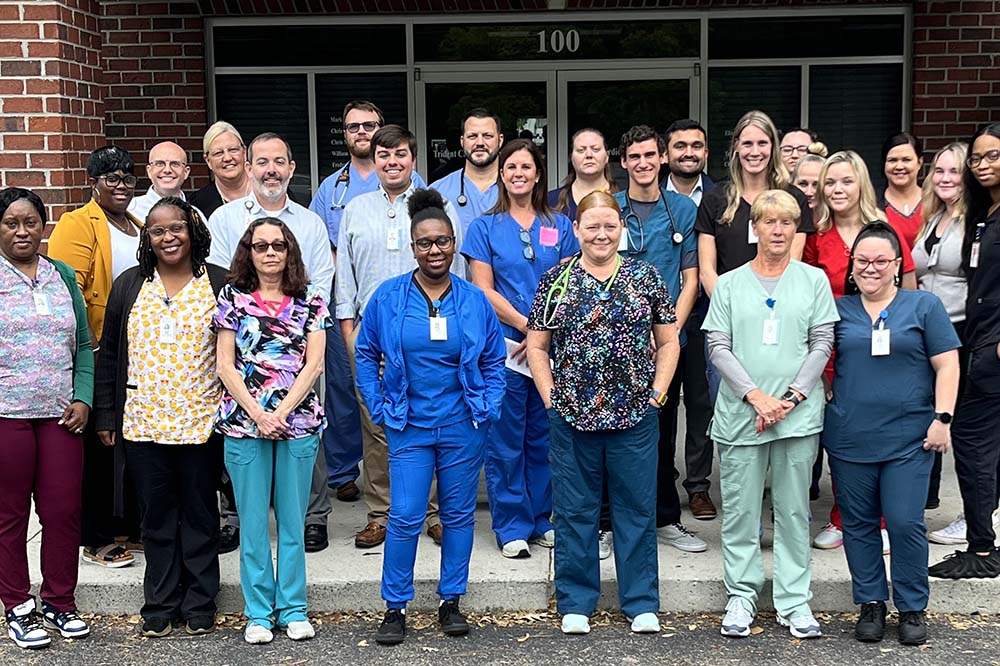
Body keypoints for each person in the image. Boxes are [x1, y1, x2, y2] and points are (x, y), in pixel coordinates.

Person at [354, 189, 506, 645]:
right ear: (413, 245)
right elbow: (365, 354)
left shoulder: (475, 300)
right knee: (403, 515)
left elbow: (495, 361)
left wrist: (490, 405)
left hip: (463, 424)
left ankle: (450, 601)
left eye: (442, 241)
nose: (434, 250)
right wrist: (379, 405)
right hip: (409, 426)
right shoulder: (389, 297)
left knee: (458, 516)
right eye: (425, 243)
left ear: (453, 243)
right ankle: (395, 606)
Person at [524, 191, 679, 635]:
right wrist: (551, 396)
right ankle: (576, 601)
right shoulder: (557, 280)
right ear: (576, 230)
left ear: (622, 229)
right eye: (592, 225)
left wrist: (658, 394)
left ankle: (641, 601)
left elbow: (668, 341)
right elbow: (537, 345)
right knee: (575, 511)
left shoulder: (644, 277)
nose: (601, 234)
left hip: (635, 415)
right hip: (572, 416)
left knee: (636, 509)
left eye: (610, 225)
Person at [703, 189, 837, 640]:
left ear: (795, 228)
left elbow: (822, 343)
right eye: (769, 221)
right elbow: (717, 347)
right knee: (740, 511)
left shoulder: (813, 280)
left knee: (794, 511)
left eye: (787, 222)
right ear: (753, 227)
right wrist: (758, 397)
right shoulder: (729, 283)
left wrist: (792, 398)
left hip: (796, 416)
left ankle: (795, 601)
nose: (777, 230)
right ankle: (741, 596)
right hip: (743, 414)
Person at [93, 198, 226, 638]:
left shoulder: (220, 284)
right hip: (144, 421)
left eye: (177, 228)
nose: (168, 237)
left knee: (201, 514)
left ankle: (201, 600)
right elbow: (110, 352)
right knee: (156, 517)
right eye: (157, 231)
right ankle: (161, 602)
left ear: (193, 231)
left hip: (201, 422)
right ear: (147, 238)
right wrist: (107, 415)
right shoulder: (131, 284)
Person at [824, 222, 960, 645]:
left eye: (881, 260)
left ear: (898, 265)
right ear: (852, 265)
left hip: (909, 439)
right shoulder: (837, 310)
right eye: (862, 260)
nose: (871, 267)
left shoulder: (923, 306)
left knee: (904, 522)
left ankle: (912, 606)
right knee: (860, 525)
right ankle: (870, 603)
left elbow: (948, 365)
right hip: (849, 437)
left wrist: (944, 418)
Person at [337, 125, 465, 549]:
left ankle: (430, 512)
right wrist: (348, 328)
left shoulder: (438, 205)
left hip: (429, 333)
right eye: (384, 155)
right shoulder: (355, 209)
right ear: (373, 161)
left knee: (430, 420)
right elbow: (345, 275)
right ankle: (381, 512)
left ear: (414, 160)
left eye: (401, 155)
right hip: (371, 335)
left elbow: (457, 269)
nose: (393, 162)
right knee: (376, 423)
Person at [207, 132, 335, 554]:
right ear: (248, 167)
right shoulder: (225, 219)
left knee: (306, 429)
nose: (270, 170)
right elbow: (221, 278)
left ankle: (312, 515)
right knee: (241, 440)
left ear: (291, 168)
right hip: (242, 344)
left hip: (300, 344)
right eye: (261, 162)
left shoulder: (310, 223)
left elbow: (320, 281)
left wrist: (292, 330)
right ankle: (235, 518)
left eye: (279, 161)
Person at [213, 218, 331, 644]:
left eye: (278, 245)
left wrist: (279, 410)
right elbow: (225, 364)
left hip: (297, 423)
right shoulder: (232, 297)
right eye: (260, 245)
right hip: (244, 425)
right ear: (249, 251)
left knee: (293, 523)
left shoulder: (312, 298)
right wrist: (258, 414)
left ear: (289, 250)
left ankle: (294, 608)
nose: (269, 253)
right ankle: (259, 613)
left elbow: (314, 364)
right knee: (253, 525)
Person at [463, 138, 579, 559]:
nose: (518, 174)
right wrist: (527, 328)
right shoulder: (484, 228)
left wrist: (541, 335)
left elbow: (568, 282)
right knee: (506, 439)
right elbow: (483, 289)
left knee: (546, 437)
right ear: (501, 173)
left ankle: (543, 518)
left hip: (550, 350)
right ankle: (512, 523)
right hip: (506, 350)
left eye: (526, 167)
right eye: (510, 167)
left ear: (537, 173)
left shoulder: (561, 225)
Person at [804, 151, 917, 550]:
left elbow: (910, 291)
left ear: (861, 185)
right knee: (844, 431)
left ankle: (883, 520)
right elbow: (807, 297)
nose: (837, 189)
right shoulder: (817, 237)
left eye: (846, 181)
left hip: (885, 346)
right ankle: (844, 517)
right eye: (830, 183)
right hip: (837, 346)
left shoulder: (885, 229)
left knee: (884, 427)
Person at [0, 187, 93, 649]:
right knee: (10, 515)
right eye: (11, 223)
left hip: (61, 417)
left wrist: (84, 397)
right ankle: (17, 604)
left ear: (43, 226)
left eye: (31, 222)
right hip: (6, 417)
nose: (22, 231)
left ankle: (60, 602)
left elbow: (82, 345)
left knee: (62, 511)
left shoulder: (62, 274)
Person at [48, 145, 143, 569]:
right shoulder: (78, 223)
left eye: (127, 177)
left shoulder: (137, 224)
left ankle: (127, 526)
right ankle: (97, 535)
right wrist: (93, 349)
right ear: (94, 182)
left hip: (136, 354)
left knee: (127, 444)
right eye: (112, 178)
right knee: (99, 448)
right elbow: (70, 291)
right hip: (101, 350)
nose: (121, 186)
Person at [614, 125, 706, 549]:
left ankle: (665, 519)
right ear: (624, 162)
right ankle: (607, 523)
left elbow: (691, 281)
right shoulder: (610, 209)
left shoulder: (682, 211)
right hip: (616, 344)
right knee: (610, 433)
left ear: (662, 158)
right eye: (635, 156)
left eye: (650, 155)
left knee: (663, 430)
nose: (644, 163)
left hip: (666, 344)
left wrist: (665, 331)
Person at [697, 111, 814, 403]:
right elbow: (707, 270)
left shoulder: (793, 198)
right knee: (731, 410)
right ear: (736, 146)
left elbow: (794, 265)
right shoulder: (715, 199)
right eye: (747, 143)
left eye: (763, 143)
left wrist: (763, 313)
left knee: (777, 404)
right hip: (729, 327)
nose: (755, 151)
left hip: (780, 323)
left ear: (773, 147)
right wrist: (736, 313)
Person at [929, 122, 1000, 580]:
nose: (983, 165)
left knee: (973, 446)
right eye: (978, 158)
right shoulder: (985, 213)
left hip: (992, 349)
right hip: (976, 341)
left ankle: (981, 549)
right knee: (984, 448)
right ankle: (983, 541)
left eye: (993, 155)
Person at [662, 118, 718, 523]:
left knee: (700, 404)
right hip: (653, 326)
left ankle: (697, 486)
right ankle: (660, 482)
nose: (688, 152)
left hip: (706, 317)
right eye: (679, 146)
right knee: (660, 406)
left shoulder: (719, 197)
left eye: (695, 146)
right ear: (666, 154)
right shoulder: (647, 198)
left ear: (706, 153)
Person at [912, 143, 970, 518]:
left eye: (955, 172)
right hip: (926, 329)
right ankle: (925, 497)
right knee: (928, 414)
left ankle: (978, 515)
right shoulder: (932, 218)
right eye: (940, 171)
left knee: (963, 426)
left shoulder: (976, 221)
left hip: (963, 329)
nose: (945, 178)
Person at [431, 108, 503, 234]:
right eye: (472, 136)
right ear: (462, 141)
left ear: (500, 140)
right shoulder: (438, 192)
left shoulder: (517, 190)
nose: (480, 142)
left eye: (487, 136)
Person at [548, 128, 617, 220]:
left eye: (595, 149)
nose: (589, 155)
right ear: (572, 158)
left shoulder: (623, 198)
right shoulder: (551, 201)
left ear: (607, 156)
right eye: (581, 150)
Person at [128, 141, 205, 222]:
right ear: (149, 171)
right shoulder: (130, 210)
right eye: (159, 164)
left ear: (186, 172)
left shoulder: (197, 216)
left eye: (175, 164)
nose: (167, 170)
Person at [190, 121, 252, 219]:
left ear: (244, 153)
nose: (227, 158)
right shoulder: (197, 204)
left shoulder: (266, 190)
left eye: (233, 150)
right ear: (208, 161)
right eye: (218, 153)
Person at [880, 132, 924, 249]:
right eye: (892, 160)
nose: (899, 166)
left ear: (919, 162)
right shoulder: (872, 204)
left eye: (906, 160)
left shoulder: (935, 201)